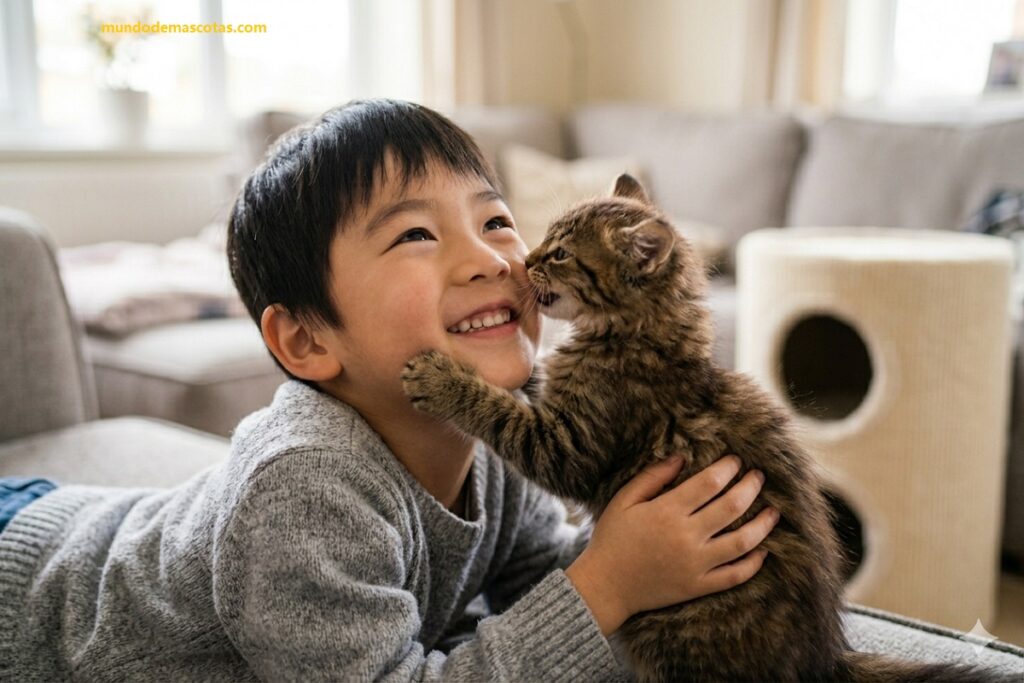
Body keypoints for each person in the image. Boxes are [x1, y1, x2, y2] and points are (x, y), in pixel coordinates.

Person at [0, 99, 778, 681]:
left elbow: (540, 576)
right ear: (307, 341)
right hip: (25, 590)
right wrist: (607, 582)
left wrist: (659, 548)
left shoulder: (506, 436)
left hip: (88, 518)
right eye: (415, 234)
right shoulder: (302, 489)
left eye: (497, 221)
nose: (491, 261)